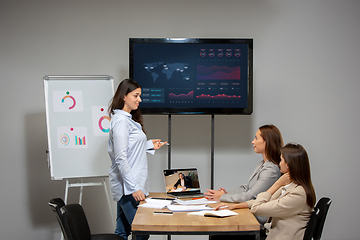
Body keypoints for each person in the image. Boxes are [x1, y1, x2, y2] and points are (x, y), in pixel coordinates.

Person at [215, 143, 316, 240]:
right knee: (218, 236)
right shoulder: (291, 187)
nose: (279, 164)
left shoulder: (298, 194)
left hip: (278, 237)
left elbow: (257, 208)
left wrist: (277, 184)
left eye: (281, 160)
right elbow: (267, 202)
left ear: (289, 164)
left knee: (219, 237)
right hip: (274, 234)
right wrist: (235, 206)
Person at [107, 78, 167, 240]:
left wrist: (148, 145)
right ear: (123, 97)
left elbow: (128, 148)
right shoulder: (120, 122)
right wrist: (133, 188)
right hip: (129, 188)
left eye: (140, 96)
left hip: (129, 186)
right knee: (141, 233)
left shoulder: (127, 119)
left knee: (122, 232)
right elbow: (121, 158)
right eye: (136, 95)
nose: (139, 99)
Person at [205, 125, 283, 224]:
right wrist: (227, 194)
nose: (253, 142)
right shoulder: (262, 164)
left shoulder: (271, 170)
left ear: (267, 142)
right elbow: (246, 187)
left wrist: (222, 197)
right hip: (248, 211)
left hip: (257, 217)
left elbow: (250, 196)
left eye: (256, 138)